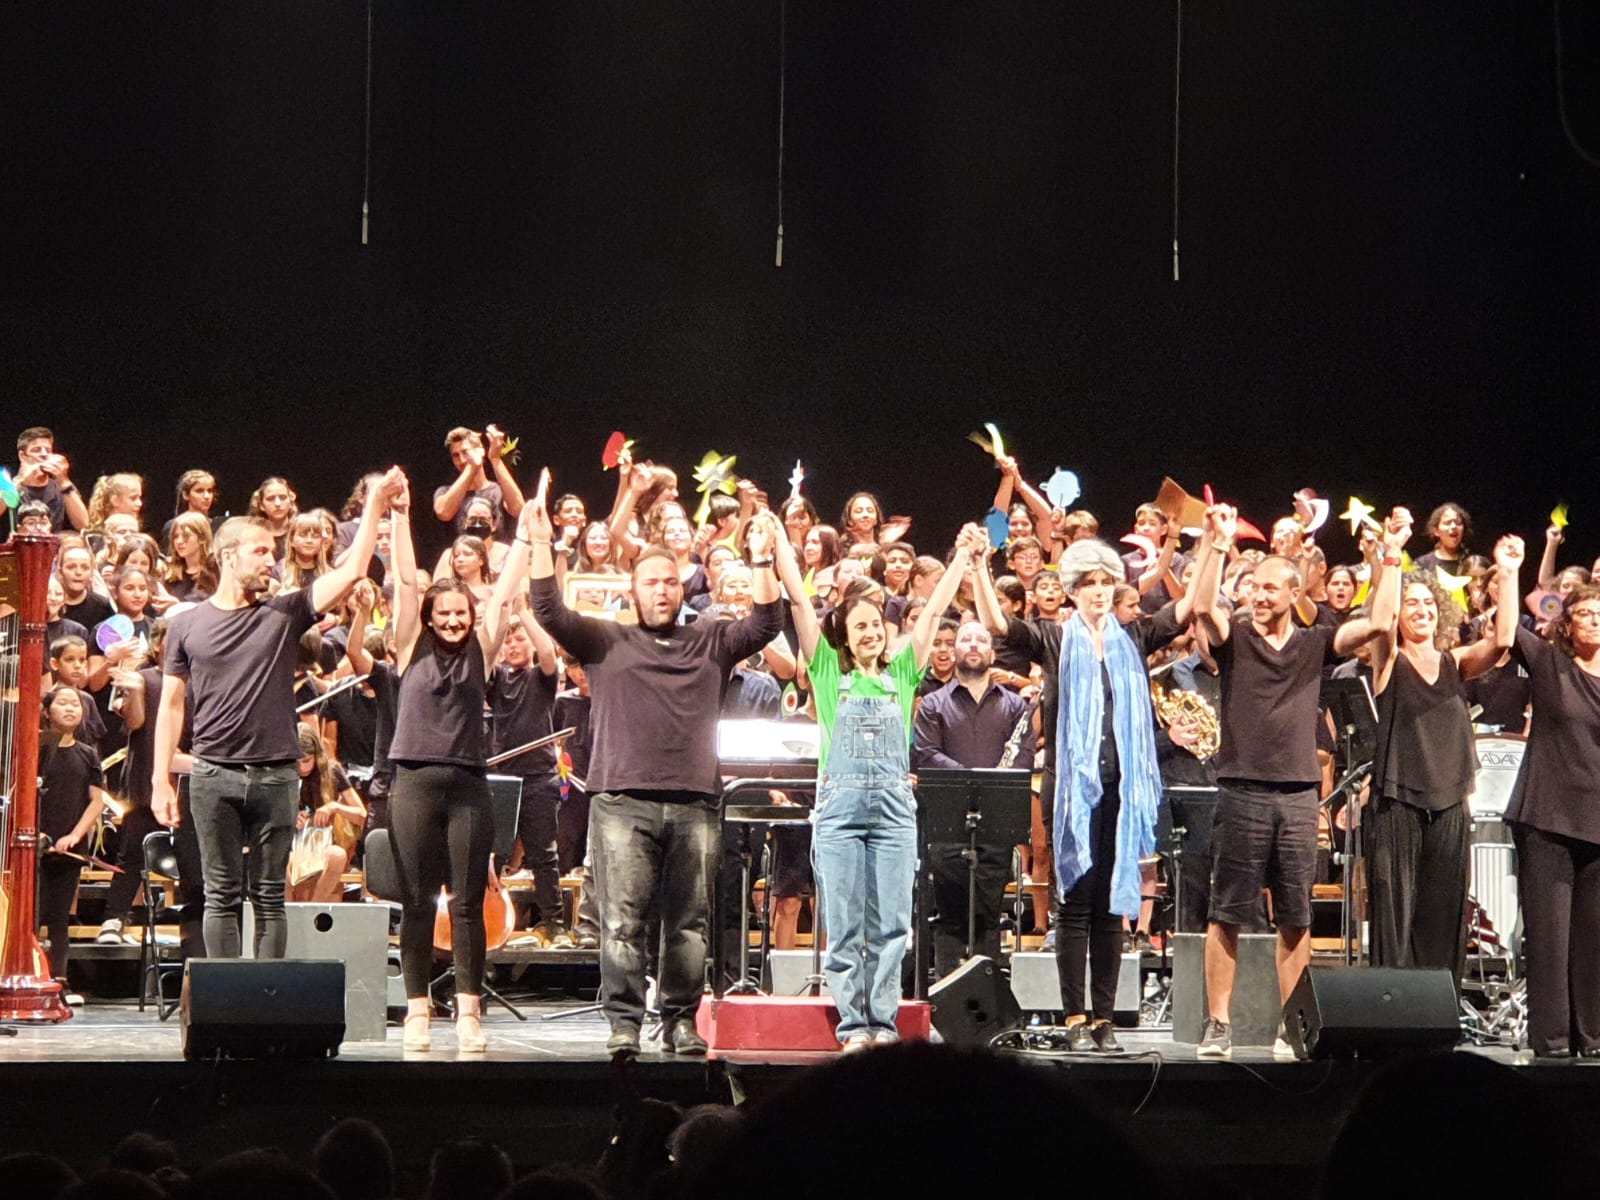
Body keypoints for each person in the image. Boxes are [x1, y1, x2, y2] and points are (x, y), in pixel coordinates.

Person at [530, 501, 785, 1059]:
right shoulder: (605, 640)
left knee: (689, 925)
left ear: (683, 587)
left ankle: (680, 1021)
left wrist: (763, 559)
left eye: (671, 581)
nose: (662, 590)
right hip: (622, 802)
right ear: (633, 589)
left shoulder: (711, 639)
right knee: (622, 922)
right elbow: (547, 608)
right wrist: (542, 541)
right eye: (651, 582)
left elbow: (767, 623)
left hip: (695, 802)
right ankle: (624, 1023)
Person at [150, 467, 403, 959]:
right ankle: (226, 999)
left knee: (269, 897)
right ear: (228, 556)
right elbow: (172, 704)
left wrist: (374, 503)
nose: (272, 560)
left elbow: (352, 571)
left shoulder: (283, 613)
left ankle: (267, 996)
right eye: (260, 551)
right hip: (213, 774)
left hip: (275, 775)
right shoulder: (186, 625)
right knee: (220, 895)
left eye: (273, 551)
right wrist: (161, 778)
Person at [1186, 504, 1395, 1059]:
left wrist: (1391, 559)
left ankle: (1294, 1024)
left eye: (1270, 588)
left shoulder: (1313, 643)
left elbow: (1379, 623)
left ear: (1295, 592)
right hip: (1241, 790)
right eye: (1254, 587)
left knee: (1296, 918)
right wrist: (1215, 543)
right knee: (1226, 913)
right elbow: (1203, 606)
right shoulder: (1236, 639)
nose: (1258, 596)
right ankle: (1218, 1024)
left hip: (1300, 795)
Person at [772, 517, 984, 1050]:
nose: (870, 632)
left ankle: (883, 1026)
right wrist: (778, 545)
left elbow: (934, 611)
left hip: (893, 812)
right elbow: (799, 604)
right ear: (844, 636)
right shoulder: (827, 671)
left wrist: (962, 557)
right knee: (845, 924)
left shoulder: (904, 671)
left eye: (876, 624)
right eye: (860, 626)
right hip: (839, 812)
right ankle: (854, 1027)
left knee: (891, 924)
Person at [975, 538, 1189, 1051]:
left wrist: (1217, 550)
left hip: (1122, 789)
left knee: (1111, 906)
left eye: (1104, 582)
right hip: (1071, 792)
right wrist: (979, 566)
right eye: (1088, 583)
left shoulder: (1132, 637)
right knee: (1074, 903)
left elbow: (1188, 610)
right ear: (1072, 591)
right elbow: (999, 624)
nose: (1098, 591)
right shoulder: (1054, 639)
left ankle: (1105, 1019)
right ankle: (1075, 1018)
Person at [387, 471, 537, 1054]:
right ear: (429, 617)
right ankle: (418, 1011)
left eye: (460, 613)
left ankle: (470, 1013)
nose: (453, 620)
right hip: (413, 784)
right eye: (444, 613)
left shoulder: (484, 645)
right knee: (417, 901)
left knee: (469, 905)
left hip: (469, 786)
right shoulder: (409, 643)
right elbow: (406, 580)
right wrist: (399, 513)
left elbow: (506, 589)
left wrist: (529, 532)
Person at [1367, 530, 1522, 977]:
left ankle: (1438, 1006)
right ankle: (1391, 1006)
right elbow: (1381, 621)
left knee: (1444, 914)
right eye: (1411, 604)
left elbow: (1504, 637)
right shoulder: (1389, 660)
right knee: (1396, 917)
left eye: (1428, 603)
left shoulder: (1456, 661)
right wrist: (1392, 556)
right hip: (1398, 801)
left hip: (1451, 800)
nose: (1422, 610)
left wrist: (1509, 572)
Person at [1504, 581, 1600, 1057]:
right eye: (1584, 613)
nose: (1594, 620)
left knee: (1593, 941)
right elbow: (1507, 631)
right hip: (1548, 818)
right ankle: (1553, 1041)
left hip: (1597, 823)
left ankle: (1593, 1037)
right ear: (1567, 623)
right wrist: (1509, 572)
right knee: (1549, 938)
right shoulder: (1550, 665)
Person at [911, 619, 1033, 977]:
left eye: (981, 639)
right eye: (966, 639)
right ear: (954, 650)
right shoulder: (932, 705)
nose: (974, 645)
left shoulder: (1015, 706)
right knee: (949, 917)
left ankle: (985, 995)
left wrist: (988, 785)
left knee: (988, 916)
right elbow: (926, 754)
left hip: (995, 826)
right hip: (947, 826)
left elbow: (1023, 756)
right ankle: (944, 996)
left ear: (992, 653)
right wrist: (975, 779)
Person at [487, 610, 569, 947]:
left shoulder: (541, 677)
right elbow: (484, 656)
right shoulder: (496, 679)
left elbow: (547, 651)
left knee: (543, 855)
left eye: (519, 639)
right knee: (492, 855)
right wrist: (500, 619)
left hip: (539, 778)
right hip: (501, 777)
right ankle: (486, 921)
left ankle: (554, 924)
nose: (513, 645)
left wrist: (522, 611)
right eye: (508, 641)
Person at [37, 687, 113, 992]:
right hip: (35, 848)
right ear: (46, 712)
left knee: (59, 919)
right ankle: (32, 974)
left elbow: (97, 801)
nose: (70, 709)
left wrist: (75, 835)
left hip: (69, 849)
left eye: (76, 704)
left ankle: (59, 981)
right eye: (63, 703)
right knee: (31, 917)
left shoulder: (88, 753)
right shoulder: (35, 749)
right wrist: (37, 832)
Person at [432, 425, 525, 537]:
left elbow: (519, 510)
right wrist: (472, 467)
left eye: (465, 452)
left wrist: (495, 459)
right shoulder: (445, 491)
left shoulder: (499, 490)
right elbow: (443, 513)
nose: (462, 460)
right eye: (456, 455)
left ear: (481, 451)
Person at [7, 426, 89, 530]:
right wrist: (20, 479)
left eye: (48, 450)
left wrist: (64, 481)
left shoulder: (62, 486)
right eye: (37, 450)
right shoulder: (8, 485)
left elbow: (84, 525)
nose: (44, 454)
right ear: (23, 456)